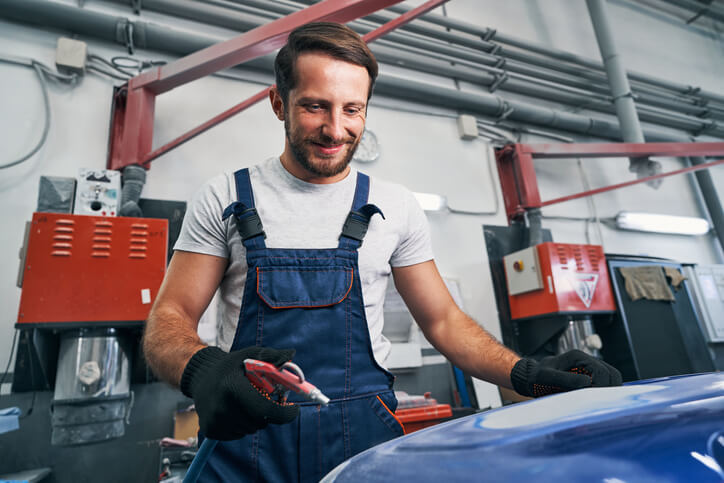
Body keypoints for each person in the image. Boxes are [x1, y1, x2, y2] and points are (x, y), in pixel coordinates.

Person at [143, 22, 622, 482]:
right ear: (277, 103)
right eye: (315, 106)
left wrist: (524, 373)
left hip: (361, 439)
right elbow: (169, 318)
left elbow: (442, 322)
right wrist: (202, 370)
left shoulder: (394, 205)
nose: (335, 129)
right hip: (249, 433)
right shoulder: (224, 195)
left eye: (352, 110)